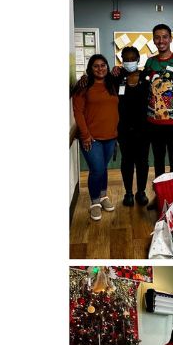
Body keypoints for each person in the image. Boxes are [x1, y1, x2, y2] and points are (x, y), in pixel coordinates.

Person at [143, 24, 173, 212]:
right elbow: (144, 89)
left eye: (164, 37)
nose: (161, 41)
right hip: (153, 122)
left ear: (171, 39)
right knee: (158, 161)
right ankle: (160, 196)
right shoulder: (150, 63)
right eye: (157, 37)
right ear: (153, 40)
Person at [72, 54, 120, 222]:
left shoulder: (112, 84)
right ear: (90, 69)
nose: (100, 68)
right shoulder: (83, 86)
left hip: (111, 136)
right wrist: (85, 135)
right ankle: (94, 203)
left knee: (104, 168)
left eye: (103, 65)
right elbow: (77, 112)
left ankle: (103, 196)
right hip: (91, 138)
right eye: (96, 66)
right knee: (96, 170)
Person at [115, 46, 150, 208]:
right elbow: (98, 80)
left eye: (132, 59)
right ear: (122, 60)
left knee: (142, 162)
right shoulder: (117, 77)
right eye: (126, 59)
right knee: (127, 161)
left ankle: (141, 192)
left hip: (143, 129)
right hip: (124, 129)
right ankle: (128, 192)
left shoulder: (146, 76)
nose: (129, 62)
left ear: (138, 60)